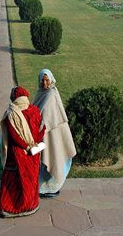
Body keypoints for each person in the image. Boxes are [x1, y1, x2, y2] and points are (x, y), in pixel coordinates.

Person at [0, 86, 45, 218]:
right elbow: (42, 129)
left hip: (17, 154)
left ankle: (9, 209)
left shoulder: (13, 113)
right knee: (30, 180)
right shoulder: (34, 110)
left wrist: (26, 147)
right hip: (33, 153)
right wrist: (34, 145)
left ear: (14, 97)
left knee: (12, 181)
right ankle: (30, 205)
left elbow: (14, 135)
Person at [32, 69, 76, 198]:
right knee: (44, 160)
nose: (45, 83)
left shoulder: (51, 95)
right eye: (42, 80)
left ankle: (51, 189)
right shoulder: (41, 92)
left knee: (53, 156)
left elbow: (46, 115)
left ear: (51, 80)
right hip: (44, 133)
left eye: (47, 80)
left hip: (52, 132)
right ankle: (43, 188)